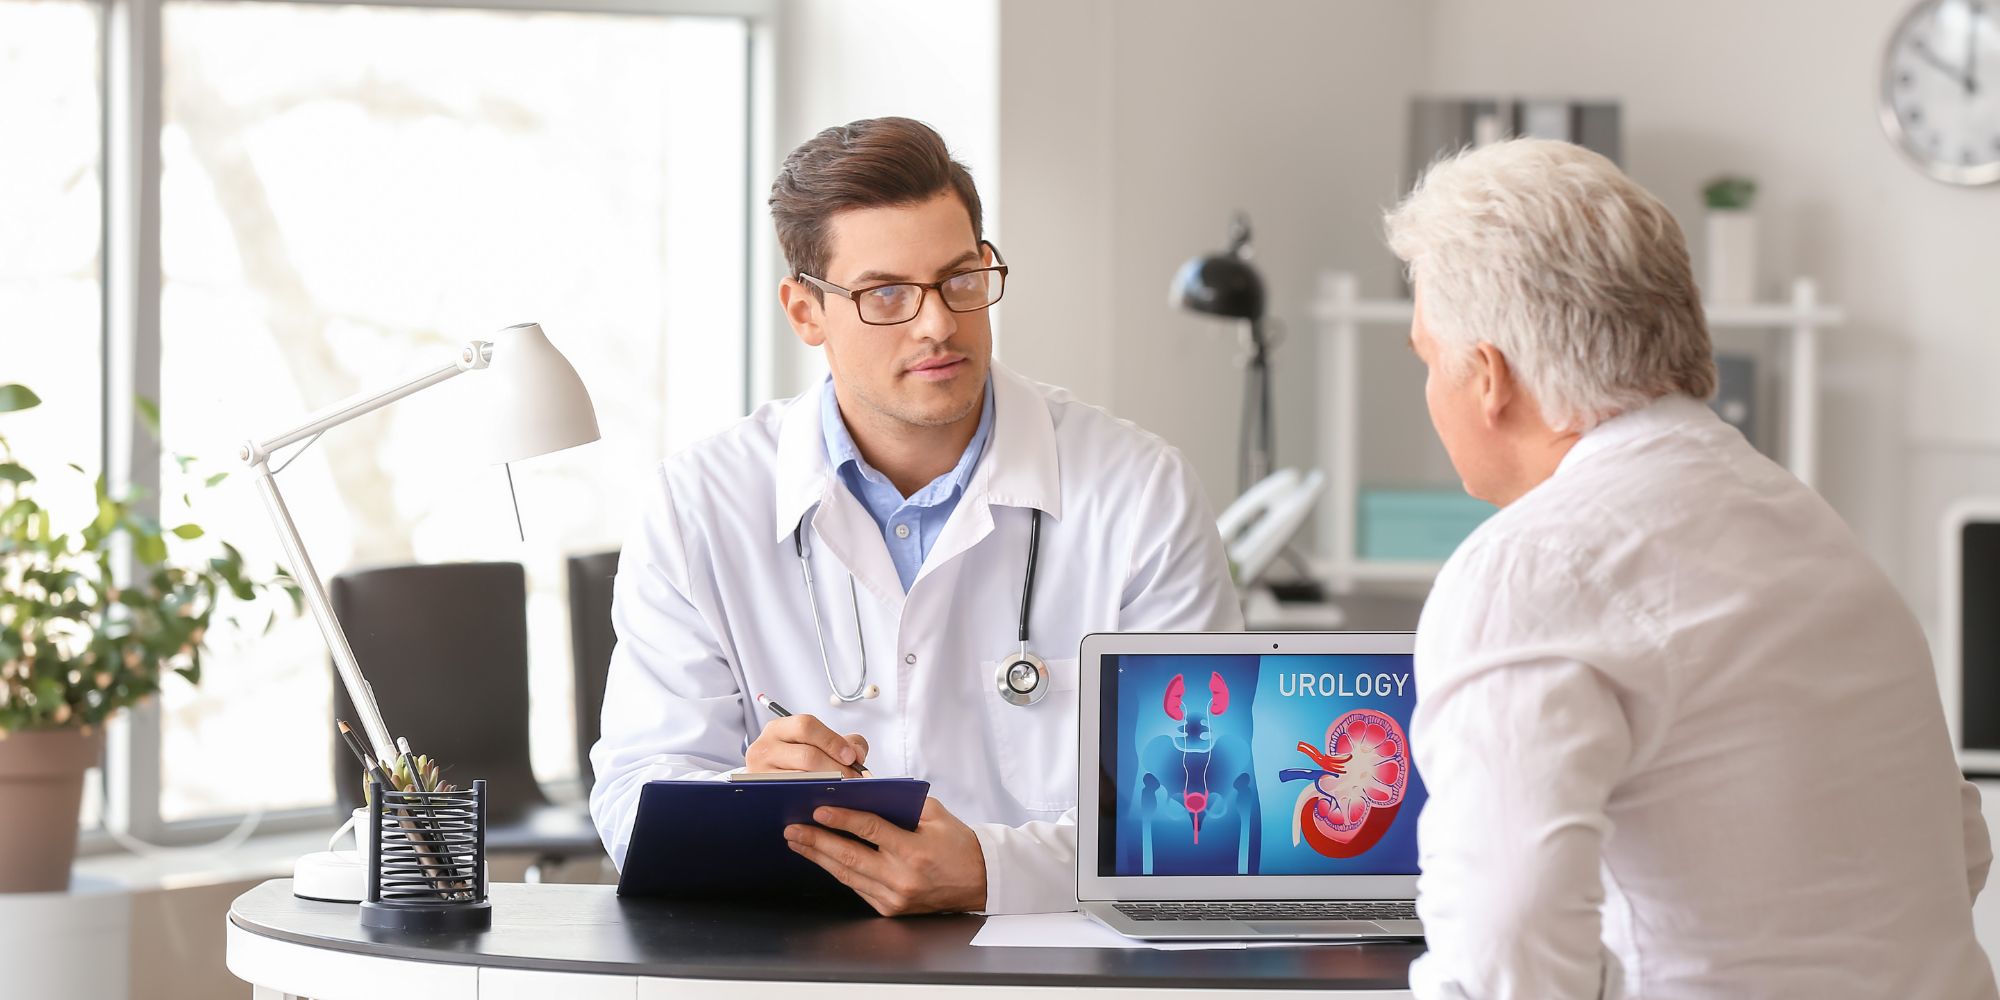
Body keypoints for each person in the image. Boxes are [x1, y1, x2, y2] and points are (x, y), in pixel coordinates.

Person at [1384, 138, 1997, 999]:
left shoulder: (1527, 569)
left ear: (1489, 377)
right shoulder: (1807, 525)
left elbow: (1504, 953)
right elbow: (1957, 852)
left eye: (1424, 358)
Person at [588, 117, 1242, 917]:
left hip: (1064, 972)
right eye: (885, 294)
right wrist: (742, 797)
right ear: (805, 313)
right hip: (796, 963)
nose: (937, 322)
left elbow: (1201, 816)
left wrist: (994, 871)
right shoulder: (699, 503)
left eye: (960, 279)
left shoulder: (1139, 491)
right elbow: (631, 803)